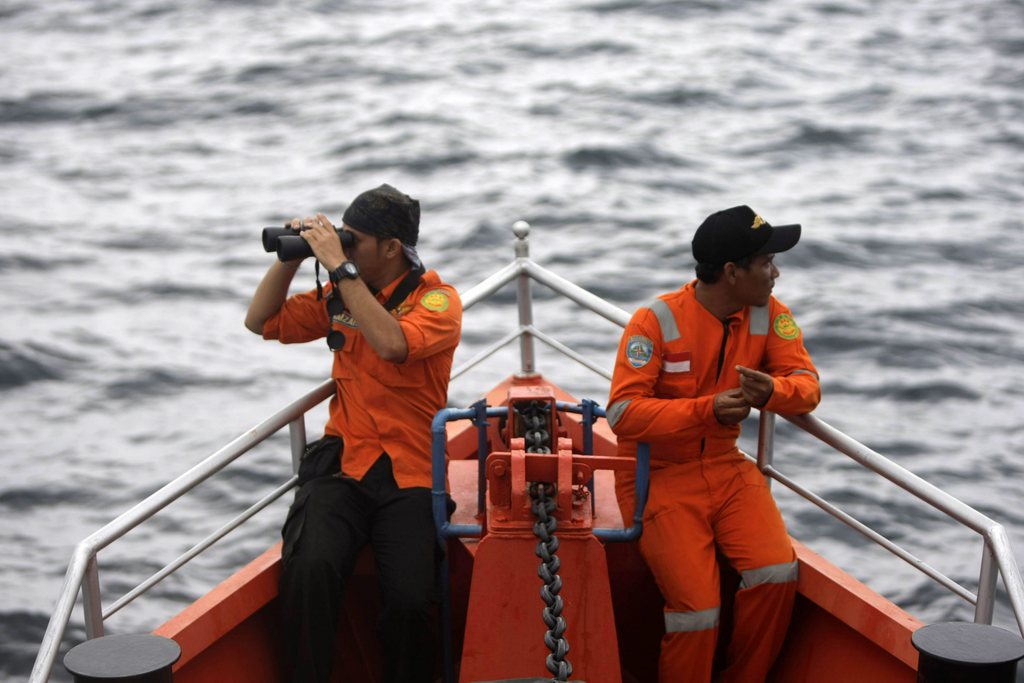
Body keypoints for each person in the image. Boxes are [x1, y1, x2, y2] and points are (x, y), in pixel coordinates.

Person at [244, 184, 462, 683]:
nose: (343, 249)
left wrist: (339, 269)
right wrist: (292, 257)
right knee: (307, 572)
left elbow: (390, 343)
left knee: (410, 600)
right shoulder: (340, 293)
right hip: (344, 462)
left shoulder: (439, 301)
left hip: (408, 472)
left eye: (353, 241)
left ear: (391, 248)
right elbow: (261, 321)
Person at [606, 205, 821, 683]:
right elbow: (622, 414)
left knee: (776, 572)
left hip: (727, 468)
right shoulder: (654, 322)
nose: (775, 272)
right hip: (657, 477)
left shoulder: (770, 315)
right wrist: (705, 410)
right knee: (697, 610)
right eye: (766, 262)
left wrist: (774, 392)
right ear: (731, 272)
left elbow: (807, 384)